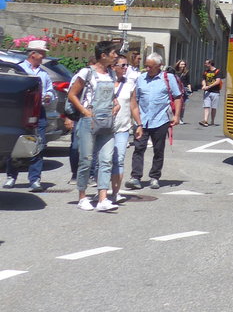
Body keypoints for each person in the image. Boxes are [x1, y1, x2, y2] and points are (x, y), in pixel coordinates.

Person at [67, 40, 121, 212]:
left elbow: (112, 97)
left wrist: (116, 105)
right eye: (113, 53)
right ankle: (82, 197)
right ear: (103, 55)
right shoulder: (87, 72)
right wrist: (84, 111)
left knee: (106, 160)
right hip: (88, 121)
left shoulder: (112, 74)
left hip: (107, 122)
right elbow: (72, 94)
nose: (116, 56)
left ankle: (103, 198)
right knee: (86, 160)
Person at [3, 39, 55, 192]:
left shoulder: (44, 74)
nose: (44, 56)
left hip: (39, 112)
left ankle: (35, 179)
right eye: (42, 53)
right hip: (20, 113)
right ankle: (11, 176)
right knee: (15, 146)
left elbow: (51, 92)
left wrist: (48, 96)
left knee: (38, 146)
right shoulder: (18, 70)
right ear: (34, 54)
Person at [127, 53, 182, 190]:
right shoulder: (141, 79)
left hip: (160, 119)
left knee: (158, 150)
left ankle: (155, 177)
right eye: (145, 66)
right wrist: (135, 119)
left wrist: (176, 116)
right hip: (142, 120)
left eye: (150, 66)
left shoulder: (168, 78)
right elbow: (135, 100)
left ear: (159, 66)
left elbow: (177, 97)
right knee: (139, 148)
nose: (147, 68)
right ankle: (135, 177)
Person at [109, 55, 137, 203]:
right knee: (104, 161)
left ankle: (115, 192)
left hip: (123, 127)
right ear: (113, 67)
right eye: (123, 65)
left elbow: (133, 105)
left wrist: (139, 124)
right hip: (105, 129)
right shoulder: (105, 81)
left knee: (118, 160)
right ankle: (101, 190)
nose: (126, 68)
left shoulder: (130, 84)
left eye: (127, 65)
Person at [200, 59, 224, 127]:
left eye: (206, 63)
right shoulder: (206, 72)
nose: (205, 65)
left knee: (214, 107)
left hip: (215, 92)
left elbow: (218, 81)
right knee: (206, 106)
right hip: (207, 92)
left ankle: (212, 121)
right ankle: (205, 121)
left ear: (210, 64)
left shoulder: (217, 71)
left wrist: (209, 86)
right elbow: (203, 79)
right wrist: (204, 85)